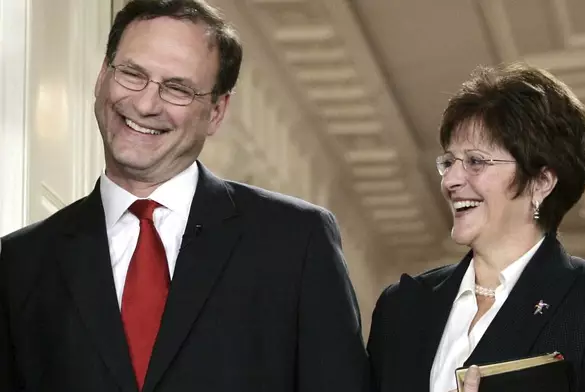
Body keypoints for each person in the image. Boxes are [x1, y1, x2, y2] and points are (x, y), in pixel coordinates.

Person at [0, 1, 370, 391]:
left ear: (216, 111)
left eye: (177, 88)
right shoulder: (20, 262)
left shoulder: (296, 240)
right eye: (132, 74)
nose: (145, 104)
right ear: (102, 77)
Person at [367, 62, 585, 392]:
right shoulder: (402, 307)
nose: (452, 180)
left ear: (541, 182)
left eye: (475, 161)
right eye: (449, 162)